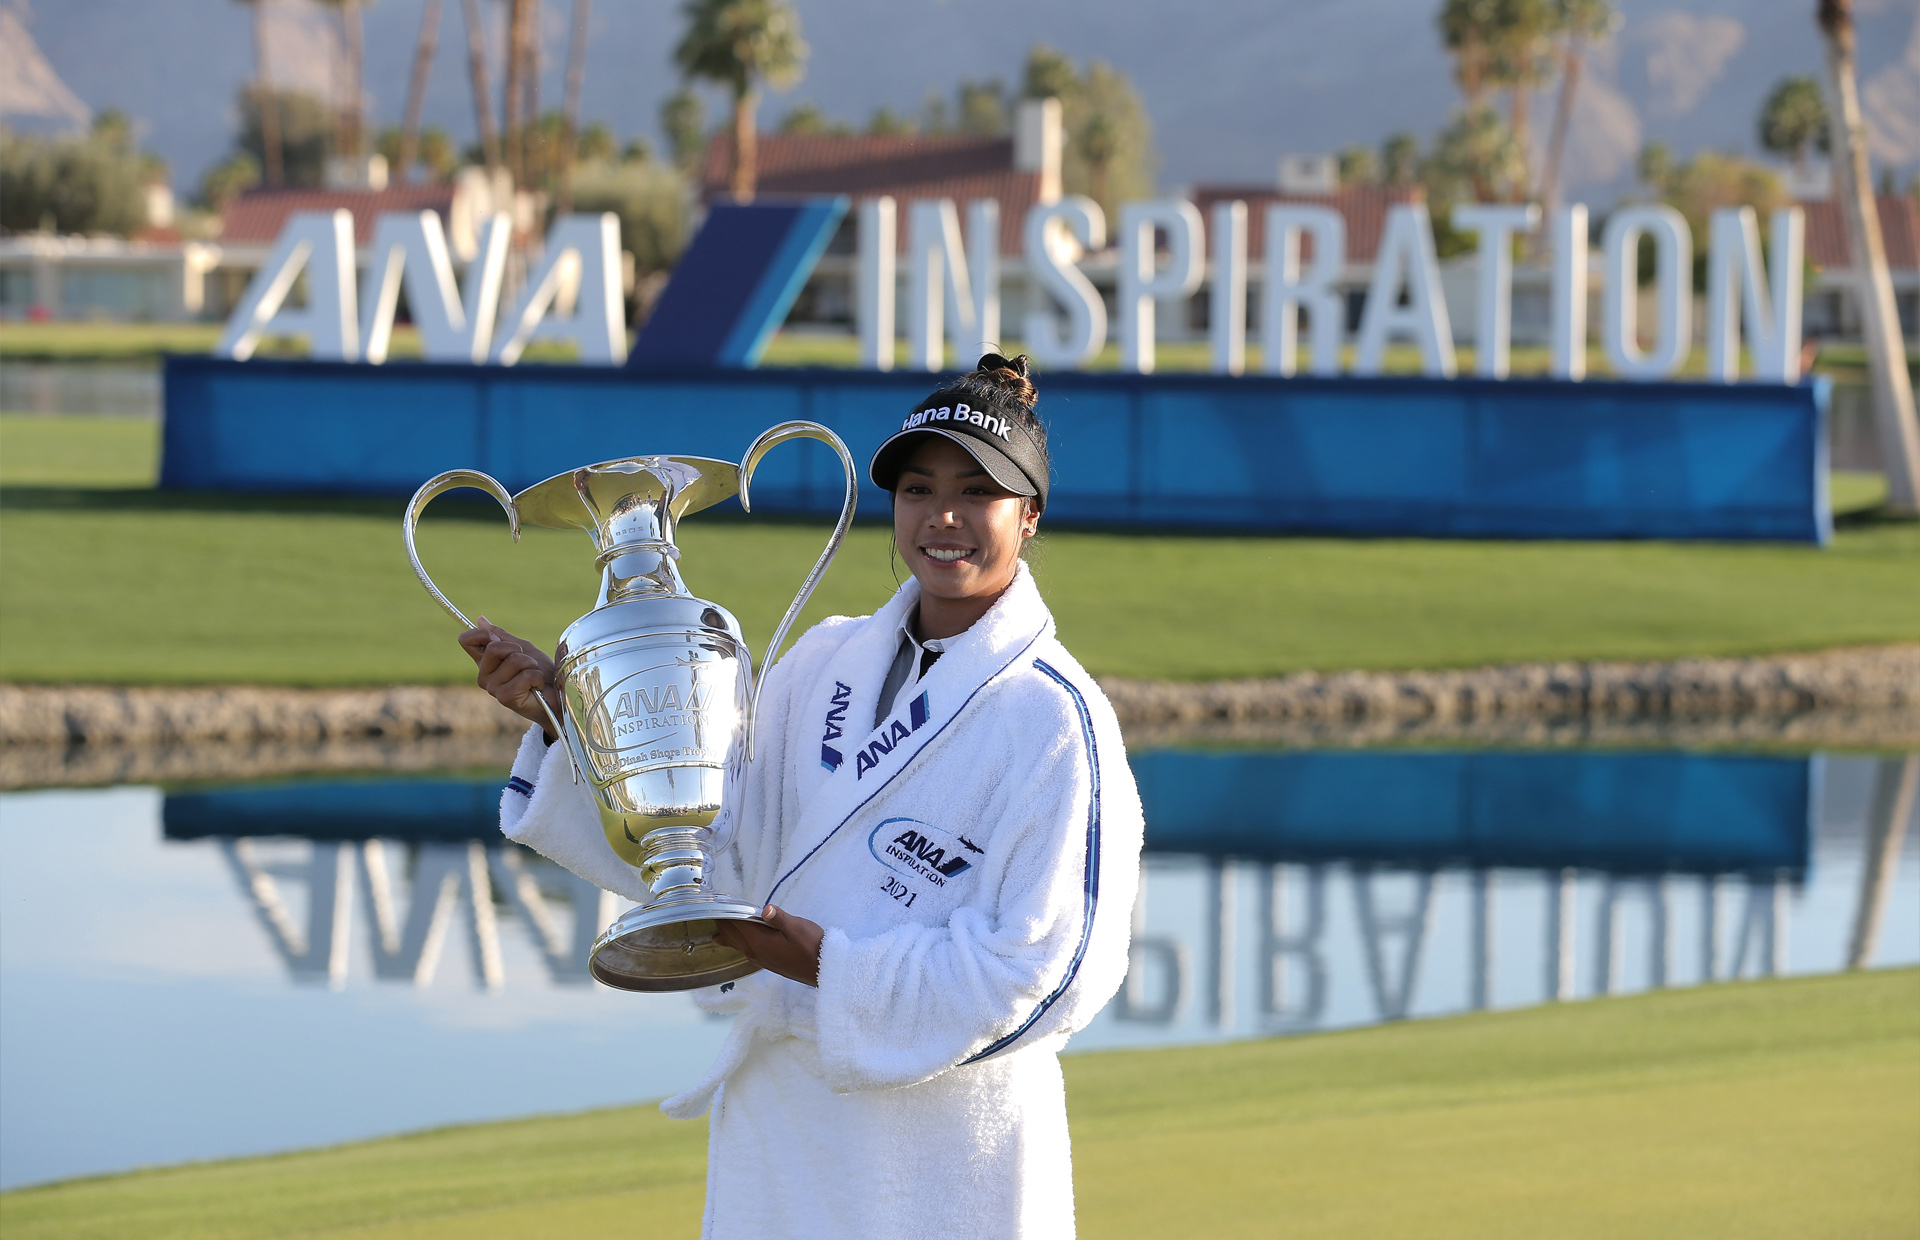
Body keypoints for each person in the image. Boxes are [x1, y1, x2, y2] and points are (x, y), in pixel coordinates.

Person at [459, 354, 1143, 1239]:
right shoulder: (824, 662)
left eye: (978, 493)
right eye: (919, 490)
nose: (943, 516)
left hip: (942, 1161)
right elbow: (716, 853)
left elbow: (1052, 976)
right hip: (785, 1138)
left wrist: (828, 966)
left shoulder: (1055, 720)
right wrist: (573, 722)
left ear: (1030, 514)